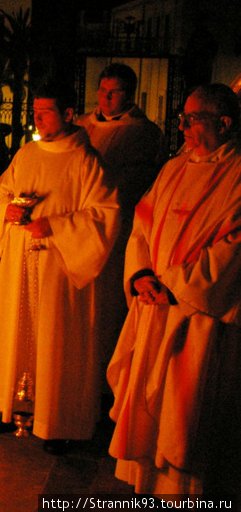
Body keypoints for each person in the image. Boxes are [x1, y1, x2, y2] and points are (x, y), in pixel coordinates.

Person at [108, 83, 241, 498]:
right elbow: (142, 225)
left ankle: (187, 493)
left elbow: (234, 248)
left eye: (192, 118)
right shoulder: (173, 168)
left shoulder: (237, 175)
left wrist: (176, 288)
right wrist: (142, 274)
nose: (180, 125)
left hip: (197, 317)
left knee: (186, 417)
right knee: (150, 408)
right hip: (154, 305)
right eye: (182, 116)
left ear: (224, 123)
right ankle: (145, 484)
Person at [0, 81, 120, 455]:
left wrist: (55, 226)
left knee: (56, 338)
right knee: (16, 331)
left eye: (45, 112)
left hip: (59, 267)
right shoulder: (27, 153)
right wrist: (6, 210)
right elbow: (4, 190)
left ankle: (59, 421)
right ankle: (14, 409)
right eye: (35, 112)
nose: (37, 119)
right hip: (21, 262)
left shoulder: (86, 161)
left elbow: (106, 214)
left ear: (69, 115)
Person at [76, 63, 165, 384]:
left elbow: (135, 183)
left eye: (114, 92)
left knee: (105, 309)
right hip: (76, 228)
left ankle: (100, 379)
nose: (106, 98)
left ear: (128, 95)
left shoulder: (144, 133)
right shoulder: (81, 125)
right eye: (102, 91)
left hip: (114, 229)